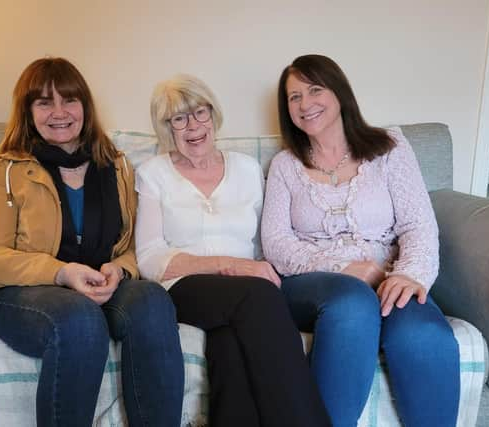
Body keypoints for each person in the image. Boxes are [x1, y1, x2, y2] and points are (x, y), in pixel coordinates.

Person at [0, 57, 184, 427]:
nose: (59, 112)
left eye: (69, 100)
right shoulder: (6, 169)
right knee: (79, 320)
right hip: (25, 293)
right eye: (44, 102)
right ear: (28, 112)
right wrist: (61, 273)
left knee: (152, 299)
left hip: (102, 287)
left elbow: (132, 245)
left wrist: (120, 269)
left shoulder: (116, 164)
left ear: (84, 106)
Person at [261, 54, 460, 427]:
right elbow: (276, 244)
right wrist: (346, 268)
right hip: (312, 284)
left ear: (339, 92)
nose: (305, 104)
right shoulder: (285, 166)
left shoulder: (390, 148)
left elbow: (418, 224)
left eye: (315, 89)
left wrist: (409, 274)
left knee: (421, 335)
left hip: (388, 277)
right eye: (294, 97)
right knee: (351, 306)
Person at [135, 73, 330, 427]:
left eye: (200, 113)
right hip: (182, 288)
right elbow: (149, 259)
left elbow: (265, 243)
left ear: (213, 114)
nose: (193, 126)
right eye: (179, 118)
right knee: (256, 297)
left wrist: (253, 268)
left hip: (239, 297)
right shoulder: (153, 174)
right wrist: (231, 265)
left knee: (229, 346)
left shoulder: (248, 168)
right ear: (167, 127)